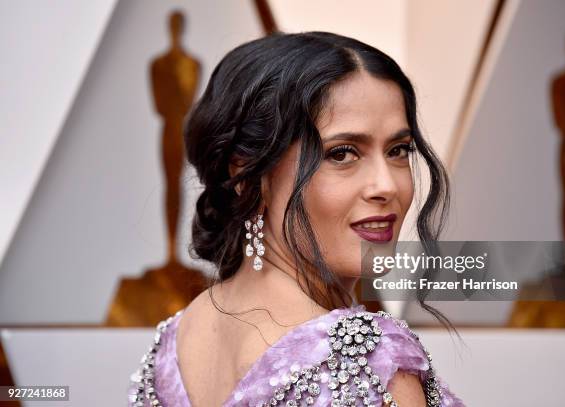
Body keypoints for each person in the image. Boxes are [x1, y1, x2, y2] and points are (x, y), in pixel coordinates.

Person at [128, 31, 465, 407]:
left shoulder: (179, 338)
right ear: (249, 173)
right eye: (342, 153)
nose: (386, 185)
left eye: (399, 150)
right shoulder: (365, 362)